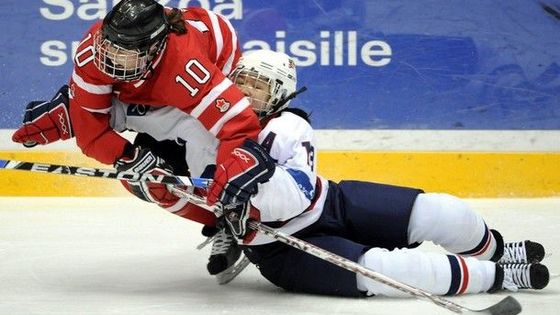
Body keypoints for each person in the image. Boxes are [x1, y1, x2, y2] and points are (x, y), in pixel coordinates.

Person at [12, 49, 550, 297]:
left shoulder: (290, 127)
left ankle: (499, 249)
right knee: (393, 272)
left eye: (260, 85)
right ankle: (500, 277)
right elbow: (123, 112)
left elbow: (286, 194)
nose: (246, 90)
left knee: (441, 211)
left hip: (328, 205)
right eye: (240, 79)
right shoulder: (202, 116)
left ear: (282, 96)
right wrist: (76, 112)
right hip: (279, 249)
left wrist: (240, 194)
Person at [12, 0, 269, 281]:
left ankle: (230, 216)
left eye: (122, 51)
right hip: (153, 89)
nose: (107, 54)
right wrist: (129, 157)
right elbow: (92, 135)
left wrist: (230, 181)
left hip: (202, 80)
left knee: (214, 167)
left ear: (153, 49)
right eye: (107, 43)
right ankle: (218, 222)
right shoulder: (95, 49)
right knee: (144, 181)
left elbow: (240, 127)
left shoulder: (189, 70)